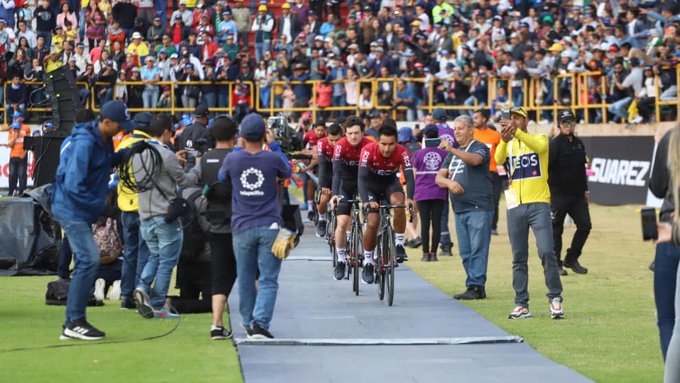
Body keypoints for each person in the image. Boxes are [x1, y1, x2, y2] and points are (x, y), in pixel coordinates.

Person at [52, 100, 134, 340]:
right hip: (70, 207)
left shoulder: (103, 139)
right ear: (106, 122)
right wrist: (100, 207)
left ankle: (73, 321)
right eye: (119, 125)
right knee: (88, 260)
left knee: (87, 260)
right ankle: (74, 322)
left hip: (79, 208)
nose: (122, 130)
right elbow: (73, 185)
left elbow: (102, 165)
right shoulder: (86, 143)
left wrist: (123, 155)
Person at [218, 113, 292, 339]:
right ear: (263, 134)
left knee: (245, 276)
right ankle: (260, 322)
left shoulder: (233, 159)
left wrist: (239, 149)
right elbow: (287, 171)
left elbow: (222, 178)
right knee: (268, 278)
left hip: (242, 225)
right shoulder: (271, 159)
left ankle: (248, 321)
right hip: (270, 224)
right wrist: (274, 145)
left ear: (241, 135)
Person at [494, 106, 564, 320]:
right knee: (518, 256)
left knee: (546, 251)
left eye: (518, 118)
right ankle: (521, 303)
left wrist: (517, 132)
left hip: (539, 204)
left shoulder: (540, 138)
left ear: (525, 121)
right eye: (510, 119)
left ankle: (555, 298)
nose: (513, 122)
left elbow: (539, 147)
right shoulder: (509, 144)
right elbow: (497, 159)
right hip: (515, 205)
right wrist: (505, 140)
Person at [132, 114, 201, 320]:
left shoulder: (138, 153)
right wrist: (198, 164)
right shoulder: (166, 154)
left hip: (145, 213)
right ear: (166, 132)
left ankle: (142, 287)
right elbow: (186, 181)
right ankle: (157, 305)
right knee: (167, 262)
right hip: (165, 215)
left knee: (154, 256)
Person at [436, 116, 493, 300]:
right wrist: (449, 183)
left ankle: (477, 286)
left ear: (471, 130)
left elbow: (476, 160)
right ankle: (472, 285)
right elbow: (439, 178)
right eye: (455, 128)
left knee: (478, 248)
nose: (457, 131)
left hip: (478, 206)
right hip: (460, 208)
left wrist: (452, 148)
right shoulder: (452, 154)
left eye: (461, 128)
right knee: (466, 251)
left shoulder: (479, 147)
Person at [358, 123, 415, 283]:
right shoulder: (368, 150)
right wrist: (365, 202)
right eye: (383, 144)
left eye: (391, 144)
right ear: (377, 141)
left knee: (399, 203)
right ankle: (368, 261)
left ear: (396, 142)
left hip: (390, 184)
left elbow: (409, 176)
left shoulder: (402, 152)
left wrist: (410, 198)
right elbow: (361, 178)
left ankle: (398, 244)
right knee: (373, 221)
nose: (387, 148)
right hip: (370, 187)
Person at [198, 116, 238, 340]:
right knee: (251, 272)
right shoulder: (239, 158)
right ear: (235, 136)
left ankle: (216, 324)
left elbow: (190, 182)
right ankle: (253, 322)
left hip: (215, 225)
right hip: (241, 223)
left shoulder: (204, 160)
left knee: (219, 275)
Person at [116, 112, 153, 309]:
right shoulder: (152, 147)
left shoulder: (123, 144)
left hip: (125, 205)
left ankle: (125, 295)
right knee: (144, 252)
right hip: (144, 206)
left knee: (129, 252)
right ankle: (140, 291)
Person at [650, 124, 680, 362]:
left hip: (670, 229)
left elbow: (657, 188)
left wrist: (658, 145)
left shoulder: (670, 138)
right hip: (670, 229)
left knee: (667, 316)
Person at [330, 116, 373, 280]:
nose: (353, 137)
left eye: (356, 133)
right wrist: (335, 195)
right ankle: (341, 259)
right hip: (345, 184)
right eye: (349, 133)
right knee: (341, 223)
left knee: (371, 221)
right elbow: (336, 173)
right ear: (345, 134)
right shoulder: (340, 146)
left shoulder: (369, 145)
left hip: (367, 183)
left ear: (362, 133)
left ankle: (370, 259)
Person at [549, 110, 591, 276]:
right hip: (558, 195)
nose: (568, 126)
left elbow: (582, 169)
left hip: (577, 195)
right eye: (565, 122)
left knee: (585, 226)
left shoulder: (580, 144)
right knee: (556, 230)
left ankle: (571, 258)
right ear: (559, 125)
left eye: (571, 122)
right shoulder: (554, 144)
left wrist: (585, 189)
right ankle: (556, 263)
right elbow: (547, 169)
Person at [412, 126, 448, 262]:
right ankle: (434, 254)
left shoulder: (418, 154)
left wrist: (413, 192)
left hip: (422, 193)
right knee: (437, 223)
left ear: (425, 137)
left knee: (425, 223)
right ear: (438, 136)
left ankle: (425, 254)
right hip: (439, 192)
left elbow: (414, 175)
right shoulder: (444, 154)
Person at [473, 110, 504, 235]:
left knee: (493, 200)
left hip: (492, 172)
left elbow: (503, 153)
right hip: (475, 172)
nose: (473, 120)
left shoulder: (495, 135)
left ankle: (493, 226)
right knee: (476, 200)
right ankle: (478, 225)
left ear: (484, 119)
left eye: (476, 117)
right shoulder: (471, 134)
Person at [432, 107, 457, 257]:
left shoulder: (432, 131)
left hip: (437, 173)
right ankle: (446, 243)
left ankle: (445, 243)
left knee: (439, 212)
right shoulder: (453, 131)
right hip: (453, 170)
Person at [315, 123, 344, 238]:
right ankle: (322, 219)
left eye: (337, 140)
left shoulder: (345, 143)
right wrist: (322, 185)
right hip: (326, 172)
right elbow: (322, 165)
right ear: (326, 137)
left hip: (341, 173)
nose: (334, 143)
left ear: (342, 137)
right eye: (331, 140)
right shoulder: (321, 143)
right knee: (323, 198)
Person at [6, 113, 30, 197]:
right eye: (14, 118)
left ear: (22, 119)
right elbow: (9, 145)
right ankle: (11, 191)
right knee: (12, 174)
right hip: (13, 155)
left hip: (22, 155)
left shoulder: (26, 128)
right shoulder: (11, 129)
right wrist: (15, 136)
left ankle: (22, 192)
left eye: (16, 117)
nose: (15, 119)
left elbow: (28, 143)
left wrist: (24, 153)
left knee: (22, 174)